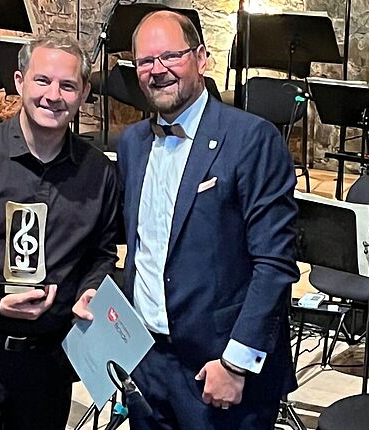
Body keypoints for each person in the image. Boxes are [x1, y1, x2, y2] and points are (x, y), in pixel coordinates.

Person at [73, 10, 299, 429]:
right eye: (145, 61)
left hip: (218, 369)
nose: (157, 71)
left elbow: (275, 263)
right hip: (146, 362)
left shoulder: (251, 138)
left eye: (170, 57)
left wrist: (236, 362)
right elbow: (143, 245)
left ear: (201, 57)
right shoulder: (133, 143)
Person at [0, 34, 120, 429]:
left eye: (68, 85)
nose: (53, 95)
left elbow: (102, 253)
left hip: (49, 360)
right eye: (42, 80)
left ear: (82, 96)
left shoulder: (99, 172)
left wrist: (91, 290)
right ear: (19, 82)